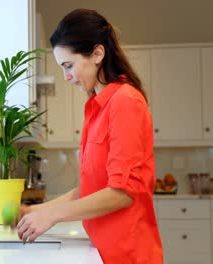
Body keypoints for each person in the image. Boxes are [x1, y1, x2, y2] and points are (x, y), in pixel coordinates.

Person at [16, 8, 163, 263]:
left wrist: (53, 215)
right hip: (103, 250)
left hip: (127, 254)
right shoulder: (97, 107)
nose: (67, 77)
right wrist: (33, 211)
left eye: (69, 65)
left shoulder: (126, 102)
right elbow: (90, 189)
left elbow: (121, 193)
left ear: (97, 53)